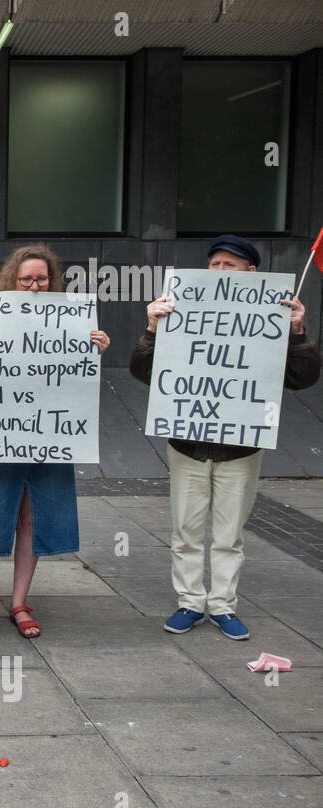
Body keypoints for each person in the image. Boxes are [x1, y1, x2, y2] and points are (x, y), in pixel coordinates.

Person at [130, 234, 320, 640]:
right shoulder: (180, 309)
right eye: (214, 264)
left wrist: (298, 333)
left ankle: (222, 606)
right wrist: (151, 329)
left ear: (252, 273)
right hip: (188, 444)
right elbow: (143, 372)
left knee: (229, 534)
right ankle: (189, 602)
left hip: (240, 448)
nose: (219, 272)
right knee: (186, 530)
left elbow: (302, 380)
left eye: (228, 265)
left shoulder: (274, 316)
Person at [0, 244, 109, 638]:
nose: (33, 285)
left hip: (50, 436)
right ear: (12, 279)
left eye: (41, 278)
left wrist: (94, 348)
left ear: (52, 280)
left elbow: (79, 379)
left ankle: (19, 603)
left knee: (32, 518)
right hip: (0, 432)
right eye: (25, 278)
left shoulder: (71, 321)